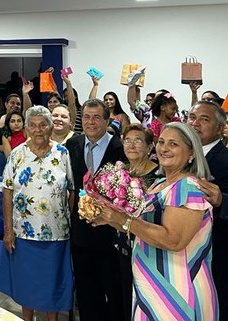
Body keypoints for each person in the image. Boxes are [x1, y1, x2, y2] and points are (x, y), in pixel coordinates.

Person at [89, 122, 217, 320]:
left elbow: (173, 240)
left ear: (191, 153)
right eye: (162, 142)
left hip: (177, 291)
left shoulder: (188, 187)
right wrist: (109, 218)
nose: (164, 148)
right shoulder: (160, 183)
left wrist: (123, 218)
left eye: (173, 144)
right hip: (150, 286)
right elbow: (141, 228)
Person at [0, 105, 74, 321]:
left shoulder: (62, 153)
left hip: (56, 232)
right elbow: (7, 192)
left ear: (50, 127)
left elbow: (71, 189)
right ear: (27, 129)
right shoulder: (17, 154)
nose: (38, 129)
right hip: (24, 232)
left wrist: (67, 220)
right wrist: (8, 231)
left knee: (52, 283)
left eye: (43, 125)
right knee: (27, 283)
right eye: (33, 125)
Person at [187, 101, 228, 321]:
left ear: (220, 128)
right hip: (182, 255)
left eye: (204, 119)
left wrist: (221, 199)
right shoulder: (179, 155)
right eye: (192, 117)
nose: (195, 123)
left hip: (217, 258)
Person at [65, 98, 126, 321]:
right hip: (80, 232)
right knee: (86, 292)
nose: (90, 122)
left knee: (114, 292)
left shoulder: (120, 148)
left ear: (107, 120)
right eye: (86, 117)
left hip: (110, 234)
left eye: (96, 117)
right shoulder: (73, 144)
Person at [116, 124, 158, 321]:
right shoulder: (121, 172)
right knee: (125, 298)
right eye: (127, 141)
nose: (131, 145)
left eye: (138, 141)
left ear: (149, 147)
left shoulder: (159, 176)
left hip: (148, 247)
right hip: (123, 244)